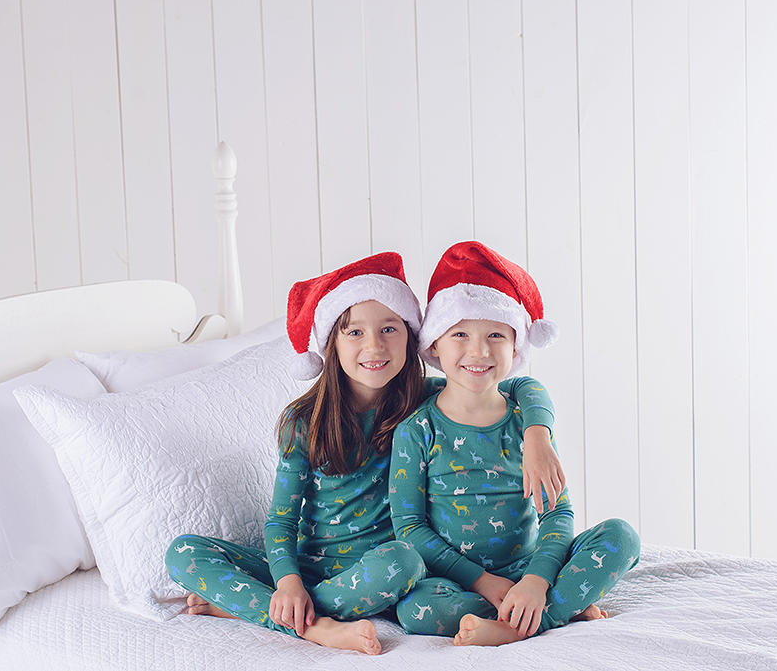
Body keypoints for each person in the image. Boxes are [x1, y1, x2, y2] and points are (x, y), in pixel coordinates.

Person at [166, 252, 566, 655]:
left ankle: (254, 608)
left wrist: (537, 434)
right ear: (331, 344)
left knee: (404, 560)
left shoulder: (423, 401)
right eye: (354, 332)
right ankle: (311, 625)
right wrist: (287, 582)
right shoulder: (304, 421)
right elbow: (281, 522)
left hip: (387, 568)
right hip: (312, 567)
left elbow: (519, 387)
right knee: (183, 552)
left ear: (411, 337)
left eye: (389, 328)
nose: (374, 346)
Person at [390, 241, 640, 646]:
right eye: (460, 334)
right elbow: (410, 527)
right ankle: (555, 610)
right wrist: (483, 581)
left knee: (622, 537)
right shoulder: (417, 430)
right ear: (435, 343)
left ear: (516, 345)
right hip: (459, 580)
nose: (479, 350)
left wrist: (537, 581)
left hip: (533, 565)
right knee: (414, 611)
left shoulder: (527, 424)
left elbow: (558, 514)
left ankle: (526, 616)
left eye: (495, 334)